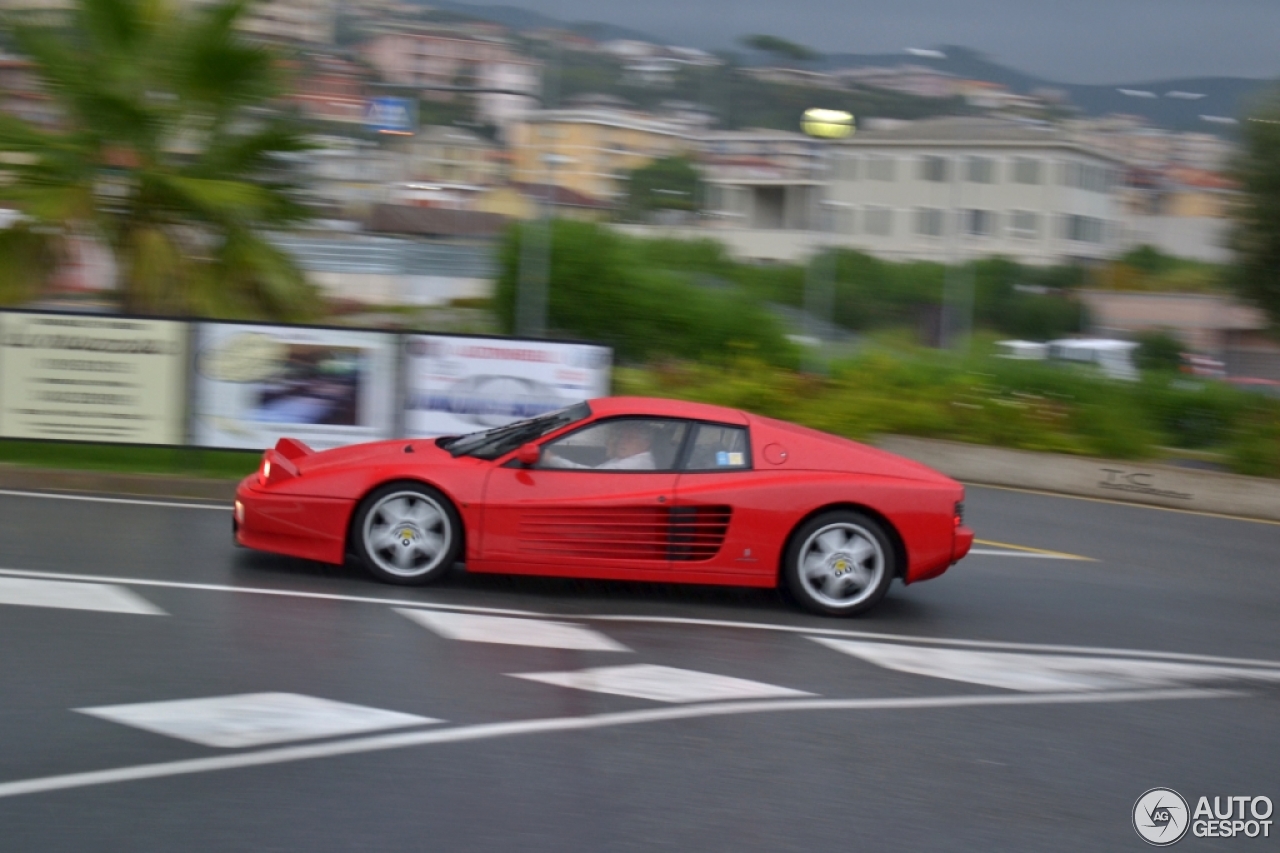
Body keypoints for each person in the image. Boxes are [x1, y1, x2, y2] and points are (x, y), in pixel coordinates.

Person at [544, 421, 656, 470]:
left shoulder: (637, 463)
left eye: (630, 438)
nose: (622, 441)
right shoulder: (629, 458)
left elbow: (590, 476)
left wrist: (552, 459)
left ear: (645, 444)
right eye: (622, 437)